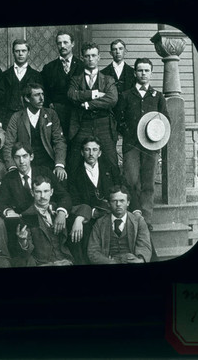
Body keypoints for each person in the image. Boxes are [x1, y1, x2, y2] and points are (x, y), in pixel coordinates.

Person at [115, 58, 170, 225]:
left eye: (146, 70)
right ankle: (133, 217)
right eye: (140, 70)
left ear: (151, 73)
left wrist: (154, 133)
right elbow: (118, 119)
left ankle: (145, 220)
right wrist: (130, 131)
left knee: (148, 182)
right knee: (131, 180)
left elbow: (165, 119)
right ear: (135, 73)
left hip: (151, 147)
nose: (143, 74)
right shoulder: (125, 95)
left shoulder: (158, 96)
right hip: (131, 145)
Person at [0, 142, 71, 260]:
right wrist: (8, 211)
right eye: (17, 157)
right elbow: (0, 203)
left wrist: (62, 212)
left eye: (25, 156)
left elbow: (64, 195)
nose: (21, 161)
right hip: (27, 224)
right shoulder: (9, 178)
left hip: (48, 220)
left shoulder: (44, 172)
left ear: (31, 157)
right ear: (13, 159)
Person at [67, 136, 123, 263]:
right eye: (87, 150)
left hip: (111, 213)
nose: (91, 153)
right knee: (83, 233)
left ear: (100, 152)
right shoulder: (75, 173)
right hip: (90, 217)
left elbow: (123, 188)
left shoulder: (110, 168)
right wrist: (90, 213)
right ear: (82, 152)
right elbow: (74, 200)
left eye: (94, 149)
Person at [67, 41, 118, 171]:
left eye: (93, 55)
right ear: (83, 58)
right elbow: (72, 95)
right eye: (87, 56)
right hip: (82, 124)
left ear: (99, 57)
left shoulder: (108, 79)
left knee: (111, 160)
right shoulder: (75, 79)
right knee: (74, 161)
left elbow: (112, 99)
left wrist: (88, 104)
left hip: (103, 124)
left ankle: (116, 190)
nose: (91, 59)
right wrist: (95, 94)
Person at [16, 175, 85, 266]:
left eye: (46, 191)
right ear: (32, 193)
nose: (43, 196)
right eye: (38, 192)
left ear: (51, 192)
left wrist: (79, 220)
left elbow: (85, 208)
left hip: (66, 260)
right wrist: (23, 242)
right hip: (43, 263)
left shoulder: (59, 209)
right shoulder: (28, 215)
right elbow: (28, 251)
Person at [3, 83, 67, 180]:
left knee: (60, 182)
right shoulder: (17, 117)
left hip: (48, 162)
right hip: (25, 163)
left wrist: (59, 164)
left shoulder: (51, 114)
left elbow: (59, 140)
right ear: (27, 99)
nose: (42, 99)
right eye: (37, 95)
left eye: (42, 94)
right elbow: (8, 144)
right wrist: (12, 166)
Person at [87, 185, 152, 264]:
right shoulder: (100, 223)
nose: (118, 204)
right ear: (108, 204)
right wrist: (110, 262)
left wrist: (140, 260)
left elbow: (144, 245)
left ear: (128, 203)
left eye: (122, 201)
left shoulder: (138, 222)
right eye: (114, 201)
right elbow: (93, 251)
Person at [41, 30, 84, 137]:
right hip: (56, 114)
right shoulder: (49, 68)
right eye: (59, 43)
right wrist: (50, 104)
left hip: (77, 113)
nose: (62, 46)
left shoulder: (82, 66)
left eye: (65, 42)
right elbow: (43, 90)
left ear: (72, 44)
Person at [0, 39, 43, 126]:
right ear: (13, 53)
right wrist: (0, 120)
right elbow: (0, 99)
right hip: (8, 118)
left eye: (23, 51)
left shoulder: (36, 75)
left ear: (29, 53)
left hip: (31, 117)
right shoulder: (4, 75)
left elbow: (40, 99)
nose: (20, 54)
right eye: (17, 51)